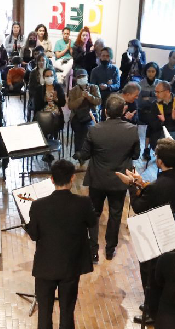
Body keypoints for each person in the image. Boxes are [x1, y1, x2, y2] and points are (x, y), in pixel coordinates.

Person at [26, 160, 97, 329]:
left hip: (46, 265)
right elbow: (92, 222)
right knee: (67, 307)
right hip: (71, 265)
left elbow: (34, 235)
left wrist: (27, 226)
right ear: (73, 178)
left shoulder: (38, 206)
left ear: (51, 179)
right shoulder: (83, 203)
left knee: (45, 308)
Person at [123, 138, 175, 322]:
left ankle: (152, 312)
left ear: (160, 161)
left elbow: (138, 206)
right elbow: (157, 193)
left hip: (154, 229)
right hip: (169, 224)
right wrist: (143, 184)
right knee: (159, 271)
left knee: (149, 271)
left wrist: (131, 185)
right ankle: (153, 303)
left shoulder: (159, 186)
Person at [76, 94, 140, 261]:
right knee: (115, 214)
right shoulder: (132, 130)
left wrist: (78, 154)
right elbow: (136, 154)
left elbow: (85, 154)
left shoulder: (94, 130)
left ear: (105, 112)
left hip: (97, 178)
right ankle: (110, 250)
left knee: (94, 214)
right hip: (119, 180)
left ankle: (93, 251)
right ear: (122, 111)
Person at [67, 68, 100, 155]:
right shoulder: (73, 91)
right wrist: (81, 98)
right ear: (76, 79)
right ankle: (78, 153)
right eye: (79, 77)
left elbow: (98, 101)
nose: (81, 78)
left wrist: (89, 96)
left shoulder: (94, 88)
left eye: (83, 76)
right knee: (78, 130)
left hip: (91, 115)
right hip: (77, 116)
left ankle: (85, 153)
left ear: (87, 77)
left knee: (87, 129)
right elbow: (70, 106)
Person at [34, 66, 65, 140]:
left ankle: (52, 136)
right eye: (47, 76)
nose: (49, 77)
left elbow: (63, 103)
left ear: (54, 76)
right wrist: (44, 100)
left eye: (51, 76)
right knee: (44, 120)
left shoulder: (58, 87)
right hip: (43, 112)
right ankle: (45, 138)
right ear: (44, 77)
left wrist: (56, 99)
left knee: (53, 119)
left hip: (55, 113)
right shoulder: (39, 89)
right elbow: (37, 106)